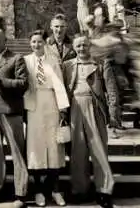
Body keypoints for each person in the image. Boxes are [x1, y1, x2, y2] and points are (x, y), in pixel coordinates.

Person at [63, 35, 118, 208]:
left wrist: (114, 112)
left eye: (85, 45)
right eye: (78, 45)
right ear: (73, 47)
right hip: (74, 108)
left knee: (99, 149)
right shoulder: (67, 66)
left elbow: (112, 89)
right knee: (78, 152)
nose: (81, 48)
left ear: (90, 46)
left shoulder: (101, 64)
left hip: (94, 108)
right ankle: (80, 190)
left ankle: (104, 191)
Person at [0, 28, 28, 208]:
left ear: (5, 40)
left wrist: (3, 82)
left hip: (10, 112)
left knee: (17, 153)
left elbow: (23, 83)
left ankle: (21, 193)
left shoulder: (16, 58)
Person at [24, 31, 69, 207]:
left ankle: (56, 190)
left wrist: (63, 108)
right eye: (33, 42)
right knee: (35, 149)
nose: (37, 45)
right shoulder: (26, 61)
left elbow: (59, 85)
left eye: (40, 42)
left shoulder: (53, 61)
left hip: (51, 104)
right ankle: (38, 191)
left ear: (45, 43)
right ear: (30, 44)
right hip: (34, 107)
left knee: (54, 148)